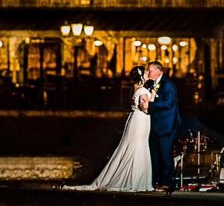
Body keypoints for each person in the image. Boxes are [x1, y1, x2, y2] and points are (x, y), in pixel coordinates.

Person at [65, 66, 154, 192]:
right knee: (139, 146)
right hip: (141, 120)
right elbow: (146, 108)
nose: (147, 73)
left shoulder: (134, 88)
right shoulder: (143, 90)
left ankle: (133, 178)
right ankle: (136, 180)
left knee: (133, 146)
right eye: (145, 72)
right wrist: (153, 96)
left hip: (134, 119)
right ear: (140, 76)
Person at [146, 60, 182, 190]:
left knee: (165, 156)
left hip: (166, 126)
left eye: (149, 70)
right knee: (155, 155)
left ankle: (167, 183)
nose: (148, 72)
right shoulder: (153, 83)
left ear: (157, 71)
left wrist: (150, 105)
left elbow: (168, 104)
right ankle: (156, 181)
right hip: (155, 125)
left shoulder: (168, 85)